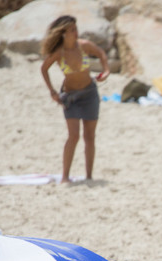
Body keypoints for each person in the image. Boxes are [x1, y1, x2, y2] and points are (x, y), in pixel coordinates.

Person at [40, 15, 110, 184]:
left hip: (90, 94)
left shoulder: (83, 46)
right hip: (71, 97)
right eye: (72, 30)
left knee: (90, 137)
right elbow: (44, 69)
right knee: (73, 136)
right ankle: (65, 177)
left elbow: (101, 53)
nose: (76, 32)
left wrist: (106, 71)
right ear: (63, 33)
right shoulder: (59, 53)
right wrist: (52, 91)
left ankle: (89, 176)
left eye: (76, 28)